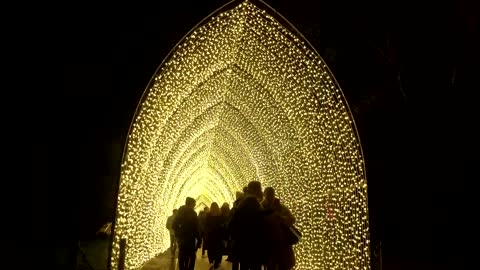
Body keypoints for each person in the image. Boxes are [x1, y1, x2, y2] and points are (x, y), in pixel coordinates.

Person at [172, 197, 201, 270]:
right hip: (190, 238)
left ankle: (182, 268)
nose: (194, 205)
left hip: (182, 238)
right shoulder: (193, 213)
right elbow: (196, 227)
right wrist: (199, 239)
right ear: (190, 204)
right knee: (192, 256)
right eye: (194, 204)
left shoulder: (179, 213)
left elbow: (174, 225)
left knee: (182, 255)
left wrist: (178, 234)